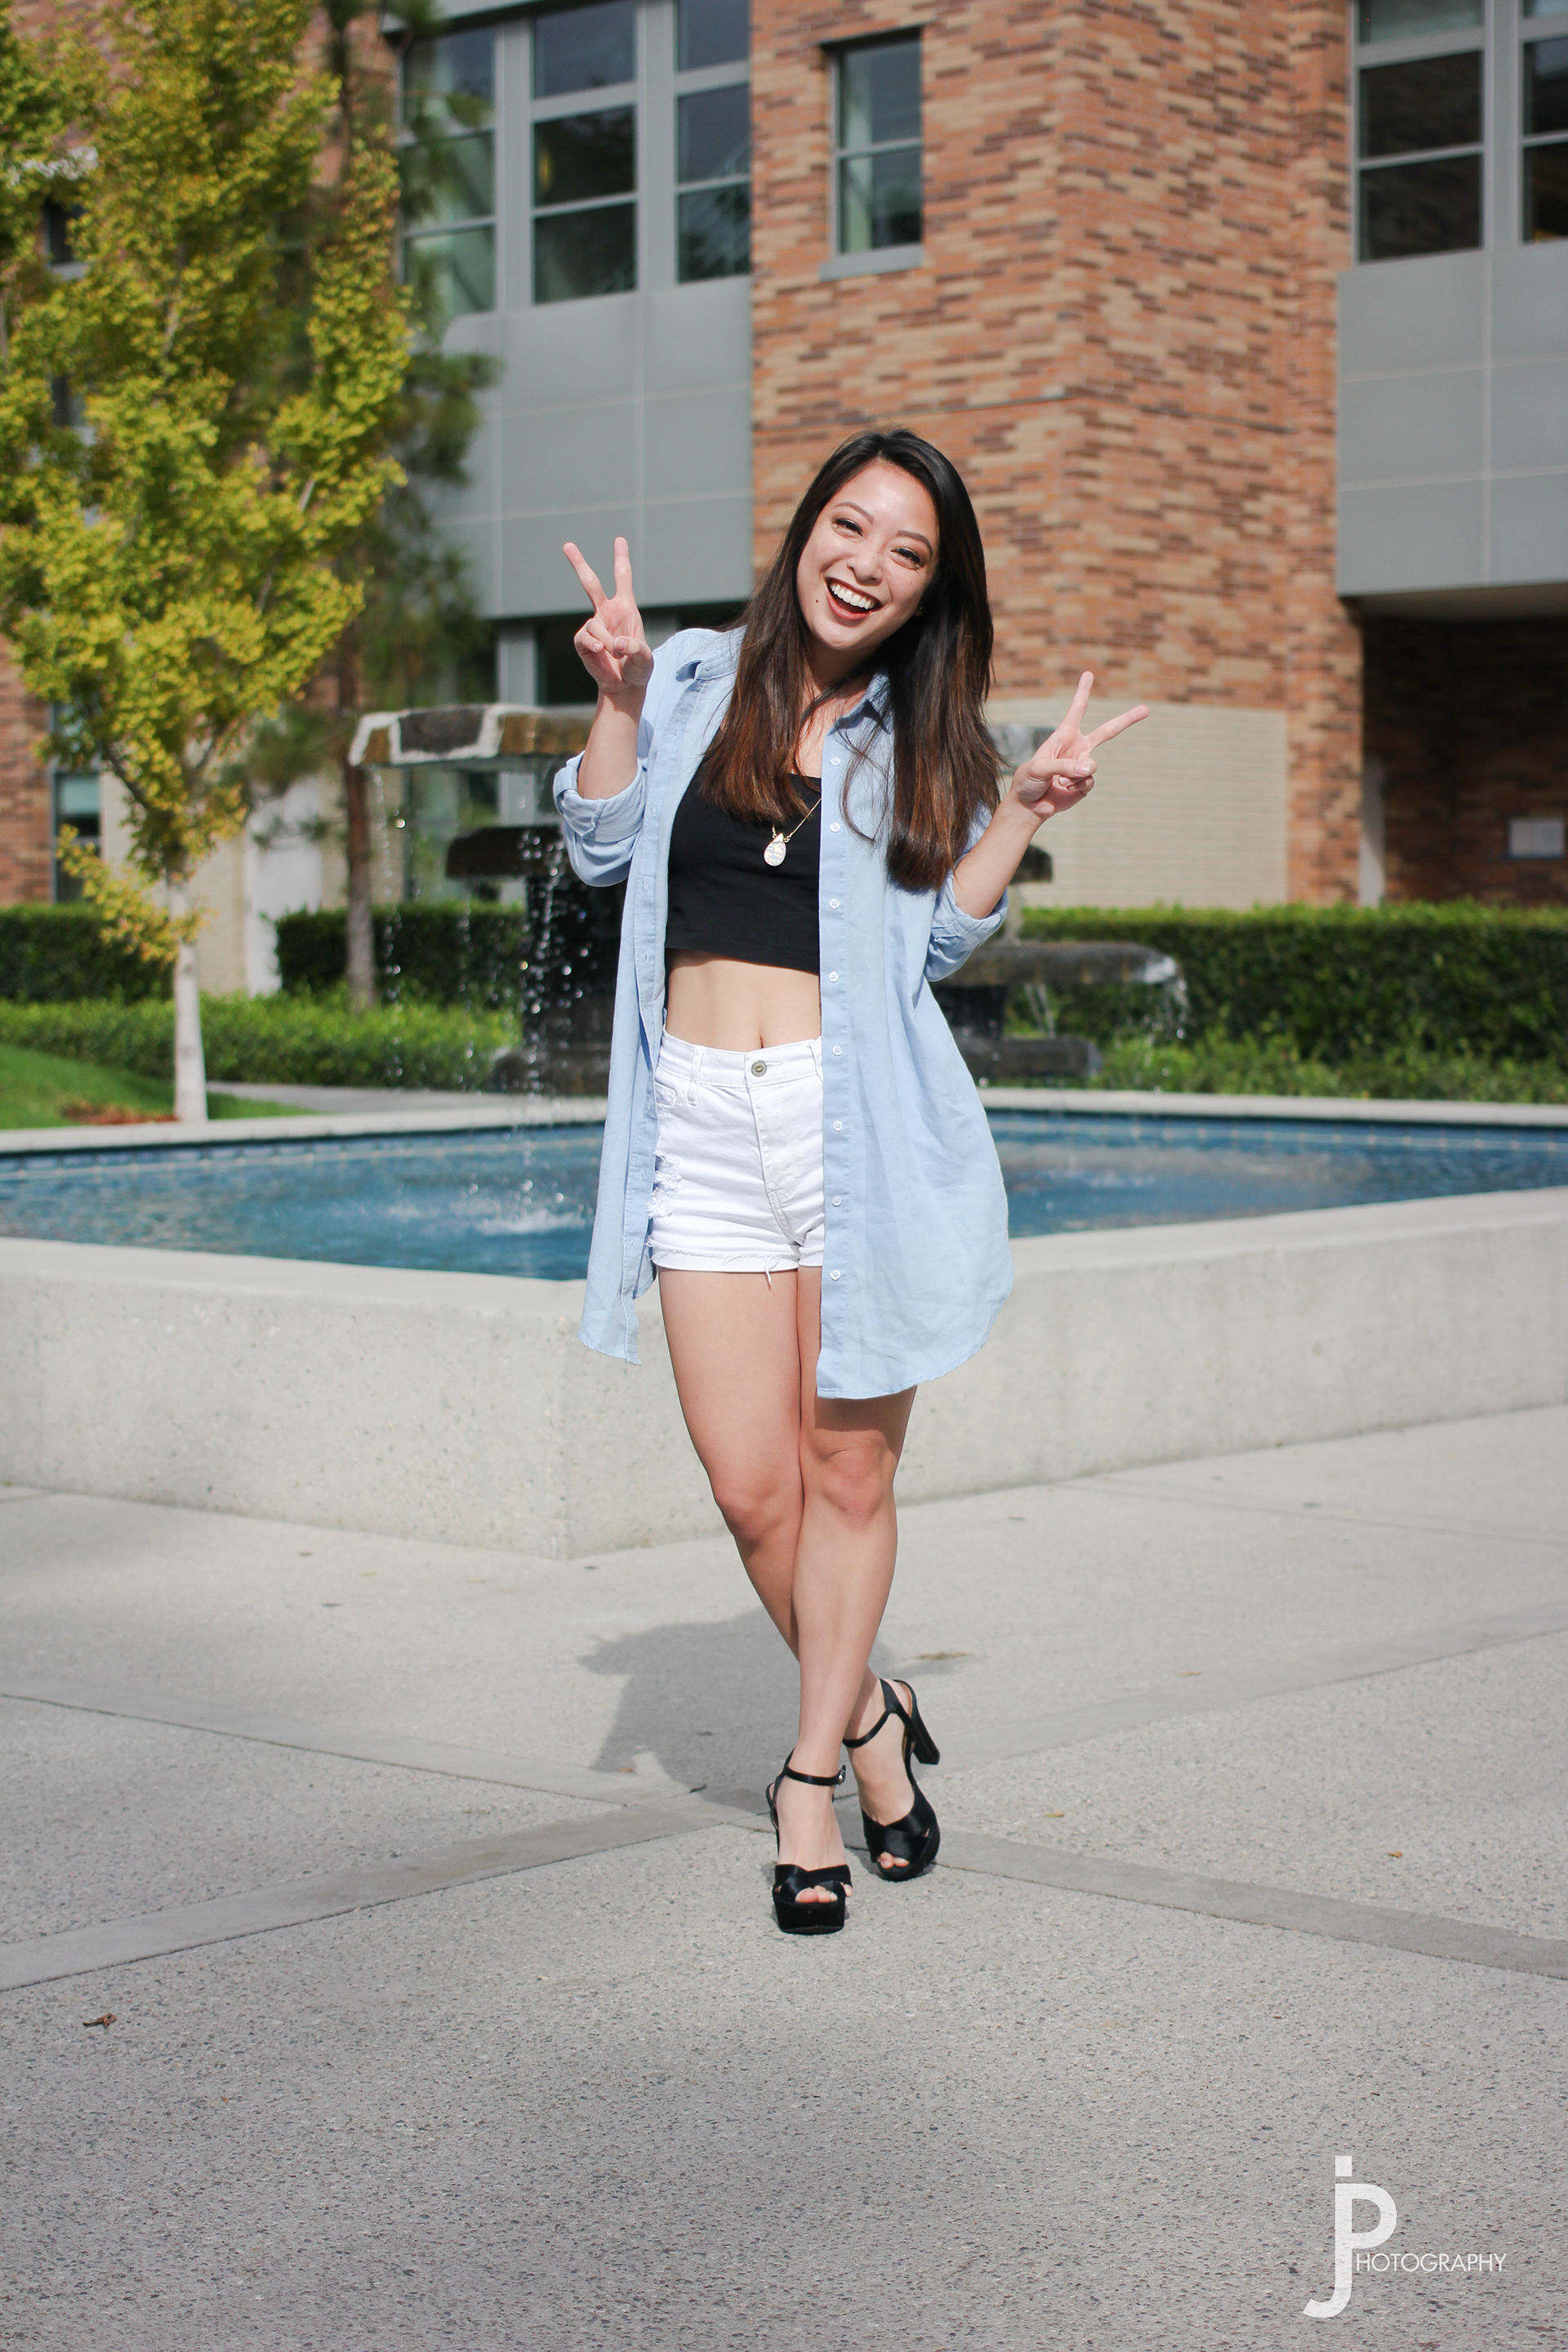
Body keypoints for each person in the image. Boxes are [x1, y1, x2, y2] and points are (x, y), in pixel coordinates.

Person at [555, 428, 1146, 1936]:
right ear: (806, 526)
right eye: (852, 526)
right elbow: (601, 851)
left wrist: (1024, 811)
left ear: (929, 593)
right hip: (699, 1123)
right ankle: (877, 1709)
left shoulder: (922, 738)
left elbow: (935, 944)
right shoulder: (689, 677)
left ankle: (810, 1774)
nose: (868, 565)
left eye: (908, 554)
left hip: (851, 1128)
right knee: (753, 1491)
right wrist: (614, 701)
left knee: (846, 1477)